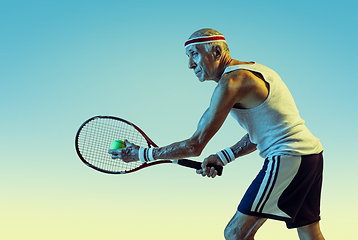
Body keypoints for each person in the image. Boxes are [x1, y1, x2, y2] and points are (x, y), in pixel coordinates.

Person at [109, 28, 325, 240]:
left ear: (216, 53)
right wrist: (224, 157)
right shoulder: (255, 70)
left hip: (289, 157)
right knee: (309, 232)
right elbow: (264, 131)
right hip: (311, 157)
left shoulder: (232, 82)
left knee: (235, 234)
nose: (190, 64)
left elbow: (195, 145)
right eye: (188, 56)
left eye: (195, 54)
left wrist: (143, 154)